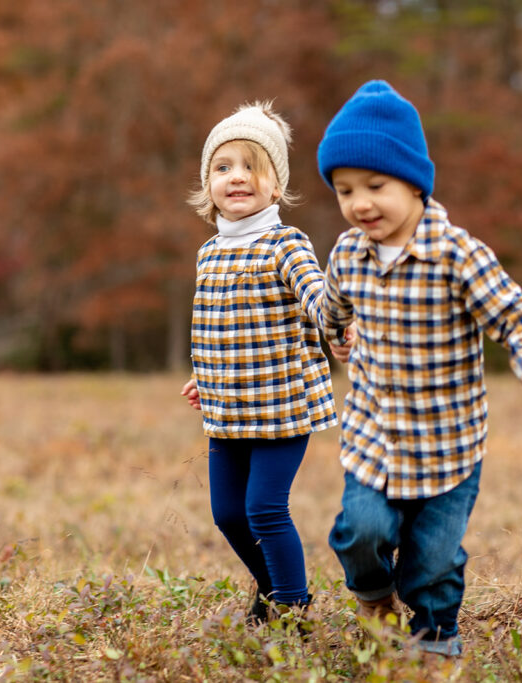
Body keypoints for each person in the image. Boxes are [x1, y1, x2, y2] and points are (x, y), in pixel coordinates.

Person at [316, 80, 522, 657]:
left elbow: (513, 312)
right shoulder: (347, 253)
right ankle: (374, 596)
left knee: (434, 560)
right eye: (344, 190)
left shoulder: (458, 255)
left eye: (375, 185)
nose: (359, 203)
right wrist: (336, 338)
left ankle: (432, 646)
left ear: (415, 183)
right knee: (361, 533)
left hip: (449, 446)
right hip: (373, 438)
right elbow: (332, 306)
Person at [180, 101, 351, 623]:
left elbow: (317, 299)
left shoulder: (286, 245)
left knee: (264, 509)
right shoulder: (210, 252)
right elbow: (220, 324)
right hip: (228, 409)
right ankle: (272, 586)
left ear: (276, 186)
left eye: (252, 167)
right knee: (228, 514)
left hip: (281, 406)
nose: (237, 178)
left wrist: (339, 324)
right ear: (207, 182)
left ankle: (293, 609)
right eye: (223, 167)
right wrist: (203, 372)